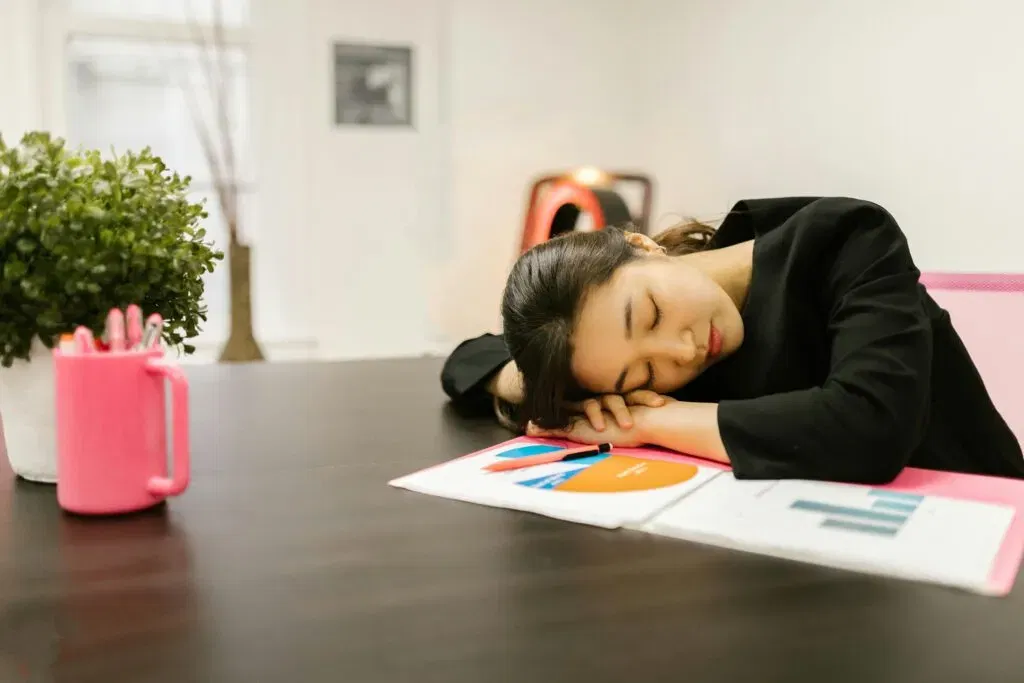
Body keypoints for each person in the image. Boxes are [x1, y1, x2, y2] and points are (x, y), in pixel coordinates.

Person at [441, 196, 1024, 483]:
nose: (680, 353)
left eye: (649, 315)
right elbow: (467, 359)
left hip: (983, 523)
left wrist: (647, 418)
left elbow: (871, 426)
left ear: (643, 246)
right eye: (639, 378)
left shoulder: (845, 238)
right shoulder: (634, 344)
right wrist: (552, 388)